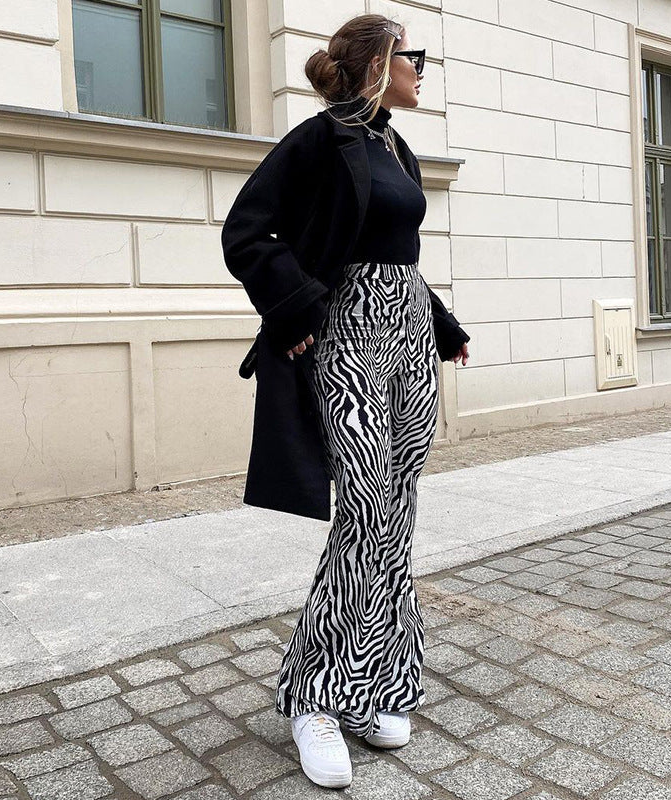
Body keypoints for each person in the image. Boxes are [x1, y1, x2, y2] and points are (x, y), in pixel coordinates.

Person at [222, 14, 470, 789]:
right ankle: (314, 697)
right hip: (349, 338)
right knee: (364, 510)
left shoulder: (394, 144)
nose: (422, 71)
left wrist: (443, 325)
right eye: (413, 58)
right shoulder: (318, 139)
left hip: (405, 340)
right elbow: (248, 232)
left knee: (396, 513)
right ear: (378, 63)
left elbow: (398, 254)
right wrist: (291, 308)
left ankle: (375, 684)